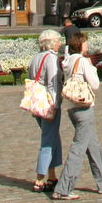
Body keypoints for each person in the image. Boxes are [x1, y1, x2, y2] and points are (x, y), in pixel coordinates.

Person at [52, 31, 102, 199]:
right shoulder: (82, 61)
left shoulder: (68, 60)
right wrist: (92, 67)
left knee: (92, 145)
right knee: (78, 148)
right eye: (86, 43)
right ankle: (63, 188)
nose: (87, 46)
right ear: (80, 45)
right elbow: (95, 84)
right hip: (84, 108)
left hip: (72, 108)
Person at [27, 30, 64, 192]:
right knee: (48, 140)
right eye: (58, 41)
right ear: (51, 43)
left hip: (36, 103)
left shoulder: (35, 58)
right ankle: (40, 178)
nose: (60, 44)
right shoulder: (51, 58)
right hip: (48, 104)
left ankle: (52, 175)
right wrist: (54, 105)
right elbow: (53, 83)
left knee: (53, 137)